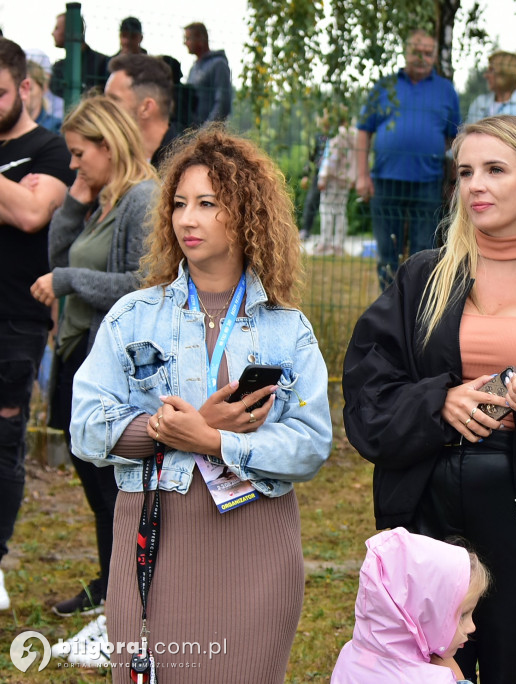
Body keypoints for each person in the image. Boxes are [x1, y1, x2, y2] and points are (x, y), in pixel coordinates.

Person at [343, 115, 516, 682]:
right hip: (427, 507)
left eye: (494, 170)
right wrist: (438, 402)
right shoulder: (424, 277)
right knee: (428, 665)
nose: (475, 186)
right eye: (465, 172)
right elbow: (367, 389)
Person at [69, 127, 332, 682]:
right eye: (180, 204)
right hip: (155, 537)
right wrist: (169, 432)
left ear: (247, 213)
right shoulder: (132, 316)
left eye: (208, 204)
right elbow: (87, 428)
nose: (187, 219)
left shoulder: (289, 331)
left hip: (256, 542)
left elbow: (311, 445)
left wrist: (216, 440)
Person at [28, 96, 158, 631]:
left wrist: (68, 283)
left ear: (109, 145)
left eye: (81, 155)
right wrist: (75, 200)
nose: (73, 165)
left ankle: (126, 597)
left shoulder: (142, 199)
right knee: (94, 481)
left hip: (111, 365)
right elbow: (59, 254)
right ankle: (111, 584)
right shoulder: (104, 199)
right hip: (77, 354)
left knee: (113, 487)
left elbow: (144, 285)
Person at [0, 37, 75, 612]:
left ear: (25, 87)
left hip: (16, 316)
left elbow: (30, 214)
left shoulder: (49, 149)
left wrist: (19, 200)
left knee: (4, 442)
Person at [355, 28, 461, 290]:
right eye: (416, 51)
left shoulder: (446, 91)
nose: (422, 57)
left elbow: (455, 140)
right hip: (385, 180)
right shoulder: (384, 87)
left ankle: (417, 311)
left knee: (423, 252)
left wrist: (454, 181)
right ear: (405, 52)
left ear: (435, 56)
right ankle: (387, 311)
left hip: (428, 182)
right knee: (387, 252)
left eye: (428, 52)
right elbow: (363, 132)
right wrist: (361, 176)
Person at [331, 528, 490, 683]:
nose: (472, 627)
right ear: (425, 613)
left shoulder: (351, 657)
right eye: (463, 615)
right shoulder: (436, 679)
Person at [105, 54, 180, 167]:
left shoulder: (184, 165)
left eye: (114, 99)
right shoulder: (110, 156)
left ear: (146, 108)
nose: (103, 107)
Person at [317, 113, 358, 255]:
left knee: (326, 209)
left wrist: (323, 176)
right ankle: (339, 245)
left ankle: (325, 244)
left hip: (332, 177)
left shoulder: (337, 134)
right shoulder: (354, 134)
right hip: (346, 178)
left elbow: (332, 157)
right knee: (340, 211)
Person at [50, 12, 110, 98]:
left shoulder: (102, 63)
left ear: (69, 30)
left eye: (57, 28)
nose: (52, 33)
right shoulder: (58, 68)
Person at [183, 22, 232, 125]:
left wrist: (207, 130)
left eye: (188, 39)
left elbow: (223, 102)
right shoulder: (194, 68)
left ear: (201, 39)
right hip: (193, 132)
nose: (185, 43)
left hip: (209, 135)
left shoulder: (219, 64)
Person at [26, 60, 61, 133]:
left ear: (43, 88)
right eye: (17, 88)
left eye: (29, 88)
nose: (22, 94)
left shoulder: (56, 128)